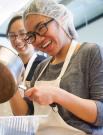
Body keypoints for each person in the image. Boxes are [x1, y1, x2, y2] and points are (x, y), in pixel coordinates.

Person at [10, 0, 103, 135]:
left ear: (60, 19)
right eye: (31, 36)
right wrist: (9, 84)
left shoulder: (90, 53)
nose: (38, 40)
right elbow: (27, 115)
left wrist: (57, 95)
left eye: (41, 27)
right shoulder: (42, 67)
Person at [0, 15, 46, 116]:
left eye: (22, 34)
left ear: (32, 34)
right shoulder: (5, 66)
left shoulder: (43, 65)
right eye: (12, 35)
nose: (17, 40)